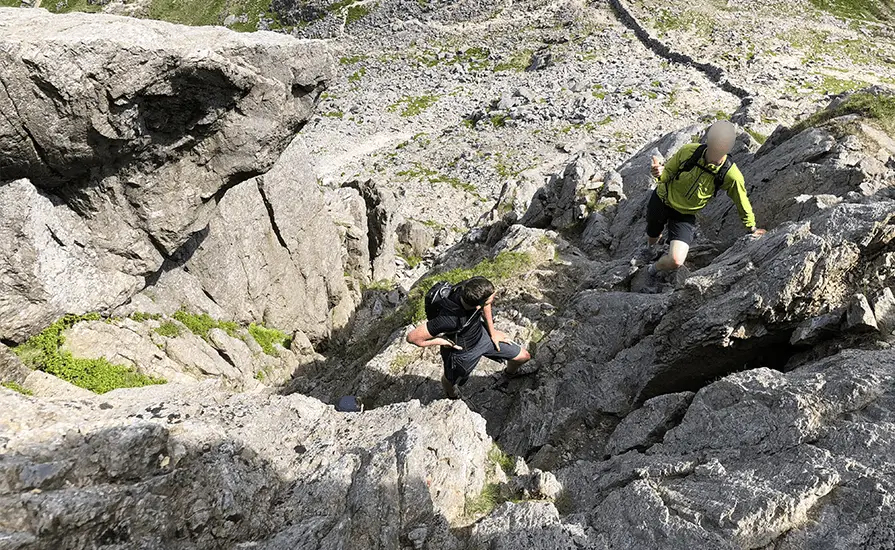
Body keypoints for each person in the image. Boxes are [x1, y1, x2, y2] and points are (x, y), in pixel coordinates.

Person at [639, 120, 766, 292]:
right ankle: (651, 248)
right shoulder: (689, 151)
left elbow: (741, 200)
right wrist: (659, 174)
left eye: (719, 153)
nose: (714, 158)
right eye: (713, 150)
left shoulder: (731, 175)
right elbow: (668, 173)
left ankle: (651, 270)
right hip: (663, 199)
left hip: (684, 214)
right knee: (653, 231)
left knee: (676, 260)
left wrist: (751, 227)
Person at [406, 276, 531, 399]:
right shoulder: (449, 320)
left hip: (482, 336)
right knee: (451, 380)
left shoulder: (468, 288)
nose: (494, 296)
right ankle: (452, 395)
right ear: (478, 305)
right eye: (491, 297)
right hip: (462, 353)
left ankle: (508, 374)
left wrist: (492, 333)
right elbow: (412, 338)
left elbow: (486, 304)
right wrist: (441, 340)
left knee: (523, 357)